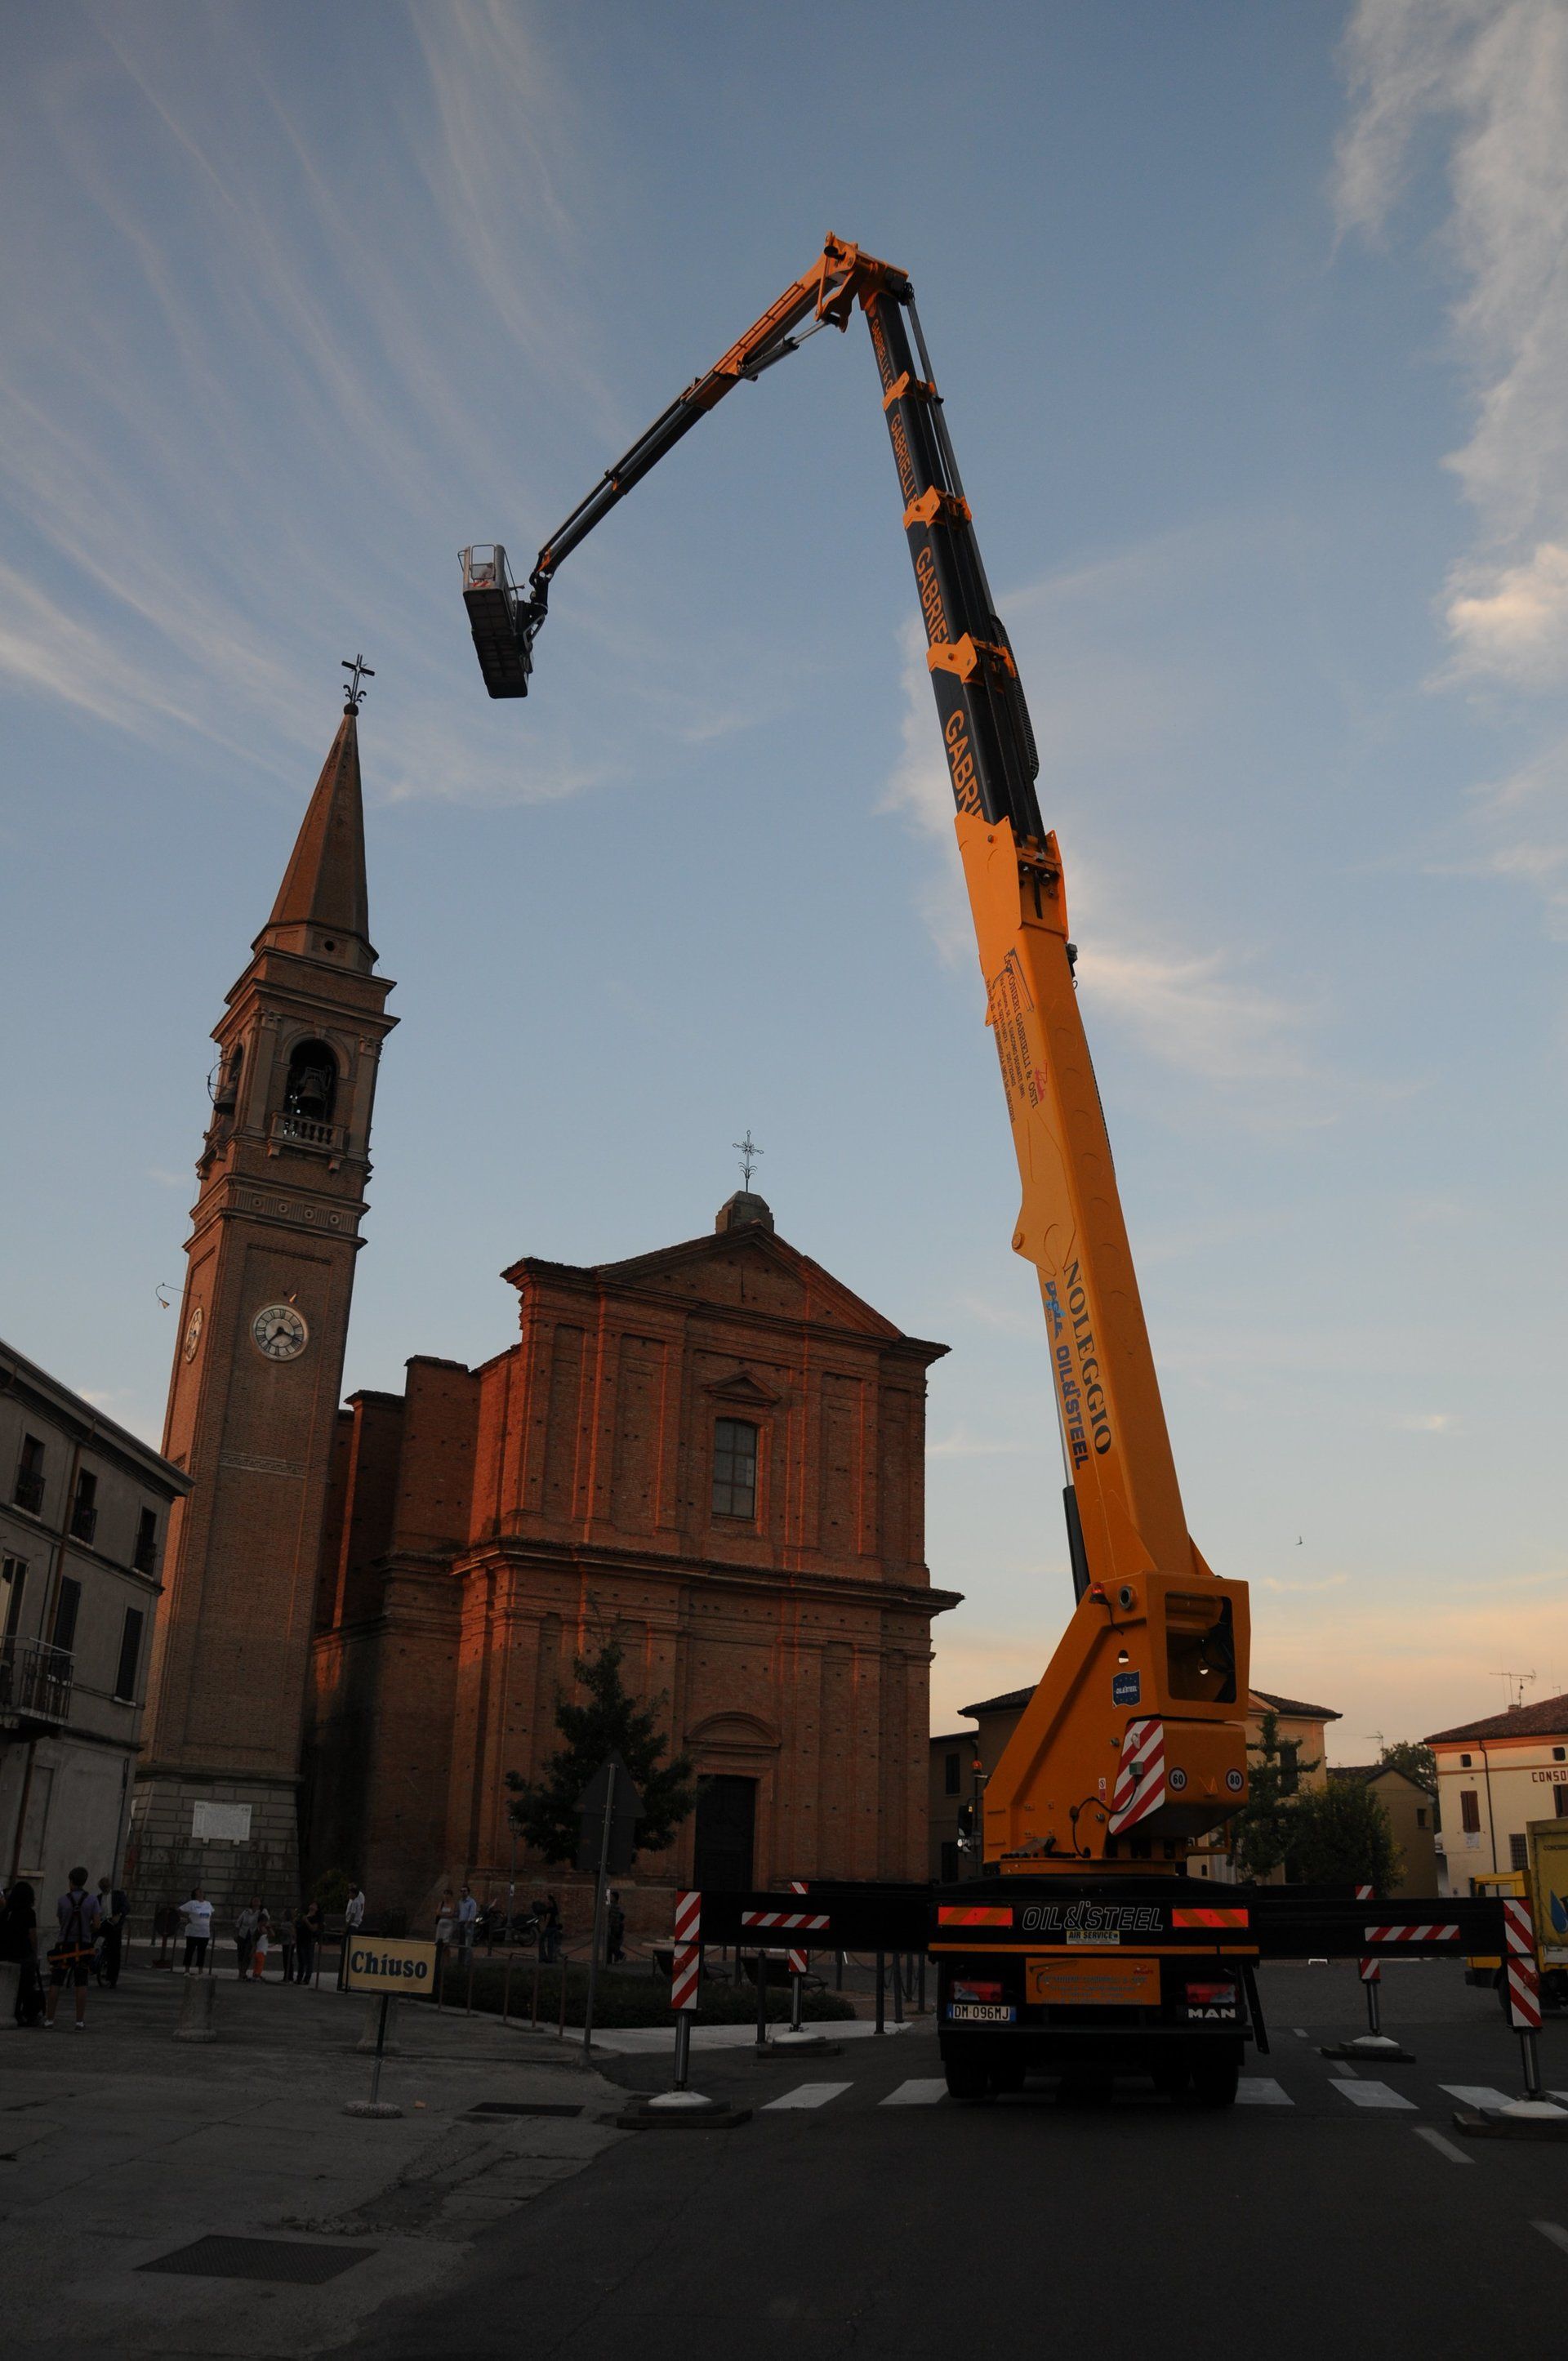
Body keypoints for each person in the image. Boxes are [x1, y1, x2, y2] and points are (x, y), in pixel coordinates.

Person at [47, 1869, 101, 2029]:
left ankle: (49, 2019)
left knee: (56, 1981)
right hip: (83, 1946)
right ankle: (79, 2020)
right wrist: (87, 1928)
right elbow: (97, 1925)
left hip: (64, 1945)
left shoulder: (63, 1900)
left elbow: (61, 1921)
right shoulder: (92, 1900)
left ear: (71, 1880)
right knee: (81, 1982)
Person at [1, 1878, 43, 2026]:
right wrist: (35, 1953)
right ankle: (28, 2014)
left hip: (6, 1952)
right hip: (22, 1953)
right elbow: (32, 1936)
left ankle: (15, 2012)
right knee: (26, 1985)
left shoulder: (7, 1912)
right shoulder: (29, 1913)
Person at [95, 1878, 128, 1988]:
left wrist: (119, 1916)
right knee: (93, 1940)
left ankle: (112, 1978)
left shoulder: (118, 1896)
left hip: (114, 1925)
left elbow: (126, 1907)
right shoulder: (98, 1898)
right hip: (103, 1923)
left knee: (114, 1952)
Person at [177, 1887, 212, 1974]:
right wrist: (187, 1918)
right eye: (199, 1892)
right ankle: (187, 1969)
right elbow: (180, 1910)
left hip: (204, 1932)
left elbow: (210, 1914)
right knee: (190, 1950)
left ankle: (200, 1970)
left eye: (202, 1892)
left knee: (202, 1952)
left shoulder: (208, 1904)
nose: (201, 1893)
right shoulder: (192, 1903)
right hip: (193, 1931)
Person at [337, 1884, 364, 1988]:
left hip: (352, 1926)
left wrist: (346, 1927)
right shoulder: (357, 1902)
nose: (349, 1895)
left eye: (350, 1893)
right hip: (354, 1926)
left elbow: (352, 1916)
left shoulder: (354, 1903)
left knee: (346, 1946)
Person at [295, 1898, 322, 1985]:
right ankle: (299, 1977)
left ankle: (307, 1978)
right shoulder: (304, 1915)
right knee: (301, 1960)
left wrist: (306, 1921)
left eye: (315, 1905)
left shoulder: (315, 1918)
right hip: (300, 1939)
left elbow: (313, 1929)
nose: (312, 1906)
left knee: (308, 1959)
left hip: (309, 1940)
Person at [234, 1897, 260, 1979]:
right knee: (240, 1954)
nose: (255, 1902)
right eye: (254, 1900)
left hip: (252, 1936)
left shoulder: (260, 1913)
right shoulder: (246, 1912)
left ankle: (244, 1972)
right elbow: (238, 1922)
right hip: (243, 1934)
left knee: (248, 1955)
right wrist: (236, 1933)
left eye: (257, 1901)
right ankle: (240, 1972)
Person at [456, 1884, 478, 1967]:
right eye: (461, 1891)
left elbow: (472, 1915)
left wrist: (467, 1924)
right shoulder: (460, 1902)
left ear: (468, 1892)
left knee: (468, 1945)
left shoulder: (472, 1902)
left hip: (468, 1924)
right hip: (461, 1923)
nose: (463, 1893)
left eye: (464, 1891)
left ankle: (467, 1964)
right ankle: (461, 1963)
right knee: (461, 1945)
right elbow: (459, 1913)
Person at [251, 1906, 273, 1980]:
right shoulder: (262, 1930)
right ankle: (257, 1975)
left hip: (258, 1950)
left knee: (257, 1964)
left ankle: (255, 1974)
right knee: (260, 1965)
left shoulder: (257, 1930)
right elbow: (271, 1935)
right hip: (261, 1951)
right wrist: (269, 1928)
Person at [606, 1890, 626, 1967]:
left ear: (614, 1898)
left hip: (613, 1929)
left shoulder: (614, 1906)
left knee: (611, 1945)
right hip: (614, 1928)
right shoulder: (614, 1906)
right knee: (611, 1945)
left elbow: (612, 1919)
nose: (610, 1898)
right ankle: (611, 1960)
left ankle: (621, 1955)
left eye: (611, 1897)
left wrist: (607, 1891)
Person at [541, 1893, 562, 1964]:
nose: (546, 1902)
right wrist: (558, 1926)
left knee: (541, 1939)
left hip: (549, 1927)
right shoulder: (555, 1908)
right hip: (554, 1927)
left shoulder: (549, 1909)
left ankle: (543, 1957)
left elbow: (548, 1918)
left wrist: (544, 1927)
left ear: (550, 1901)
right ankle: (550, 1958)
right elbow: (557, 1917)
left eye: (547, 1901)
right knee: (550, 1942)